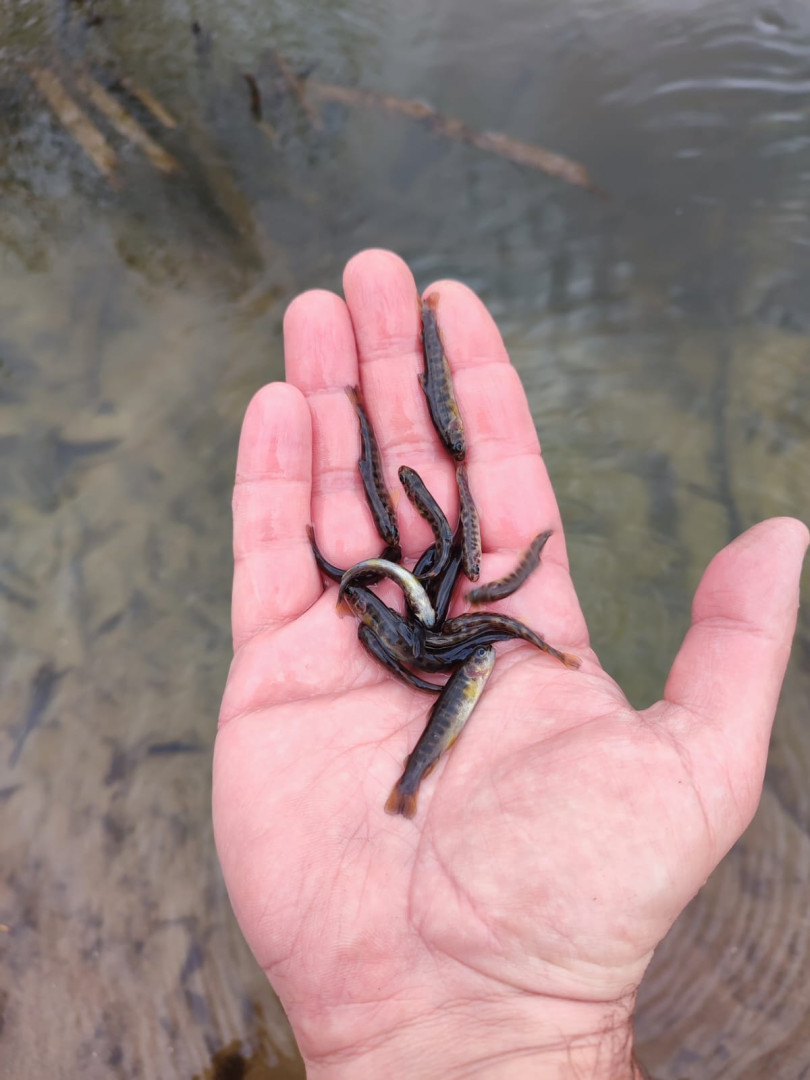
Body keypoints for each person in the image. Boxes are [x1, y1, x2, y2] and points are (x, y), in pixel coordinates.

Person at [213, 249, 808, 1079]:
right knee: (427, 559)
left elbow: (442, 588)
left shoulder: (442, 612)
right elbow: (431, 587)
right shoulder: (432, 613)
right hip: (421, 618)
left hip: (424, 619)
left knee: (433, 560)